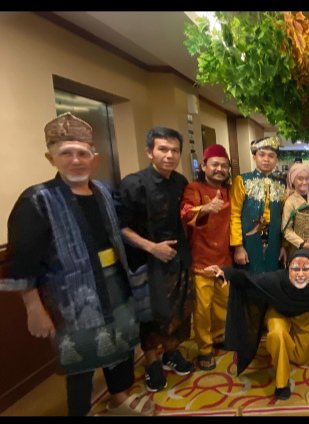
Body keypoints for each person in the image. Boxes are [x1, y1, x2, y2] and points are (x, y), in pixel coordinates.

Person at [0, 113, 154, 416]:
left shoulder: (104, 191)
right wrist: (34, 308)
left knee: (121, 343)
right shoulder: (37, 200)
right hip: (70, 296)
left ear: (94, 158)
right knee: (79, 356)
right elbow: (24, 259)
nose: (76, 160)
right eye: (66, 153)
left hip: (115, 282)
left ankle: (119, 397)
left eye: (82, 153)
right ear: (51, 158)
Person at [205, 249, 309, 401]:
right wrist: (225, 272)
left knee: (301, 358)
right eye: (295, 269)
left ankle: (284, 347)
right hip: (278, 313)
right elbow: (248, 278)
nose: (300, 274)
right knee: (277, 335)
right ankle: (282, 382)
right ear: (288, 269)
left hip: (303, 317)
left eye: (306, 269)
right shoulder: (275, 280)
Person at [119, 127, 195, 392]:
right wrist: (152, 247)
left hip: (179, 256)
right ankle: (152, 362)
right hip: (147, 260)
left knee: (180, 309)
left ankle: (171, 353)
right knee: (152, 313)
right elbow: (121, 227)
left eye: (175, 150)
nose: (169, 155)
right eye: (163, 149)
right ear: (149, 152)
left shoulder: (181, 181)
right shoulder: (133, 184)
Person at [180, 144, 232, 371]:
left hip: (225, 259)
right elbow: (185, 214)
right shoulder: (194, 188)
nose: (220, 169)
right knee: (202, 309)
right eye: (215, 165)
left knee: (223, 303)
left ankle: (219, 337)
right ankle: (204, 349)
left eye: (224, 166)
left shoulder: (230, 191)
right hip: (201, 259)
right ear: (204, 166)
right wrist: (206, 208)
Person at [230, 136, 286, 273]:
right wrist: (238, 247)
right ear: (254, 157)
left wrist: (284, 246)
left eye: (271, 156)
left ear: (276, 159)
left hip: (274, 243)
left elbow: (284, 217)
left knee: (272, 279)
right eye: (262, 155)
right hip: (248, 243)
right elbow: (234, 214)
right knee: (250, 279)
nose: (266, 159)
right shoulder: (242, 180)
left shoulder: (281, 184)